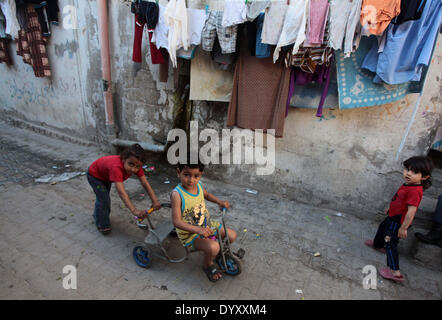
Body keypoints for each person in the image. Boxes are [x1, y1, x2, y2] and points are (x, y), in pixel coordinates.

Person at [364, 156, 433, 282]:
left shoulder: (415, 191)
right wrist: (390, 209)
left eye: (415, 172)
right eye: (407, 169)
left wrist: (403, 228)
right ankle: (378, 245)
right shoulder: (408, 184)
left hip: (398, 222)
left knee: (390, 243)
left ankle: (395, 272)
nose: (408, 173)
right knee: (382, 228)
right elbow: (400, 201)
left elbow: (411, 211)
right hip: (392, 216)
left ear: (424, 177)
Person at [170, 157, 237, 282]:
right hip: (190, 234)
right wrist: (198, 230)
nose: (191, 180)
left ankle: (218, 254)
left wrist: (219, 202)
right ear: (178, 172)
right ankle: (207, 264)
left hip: (206, 224)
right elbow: (177, 222)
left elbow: (206, 195)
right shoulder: (177, 194)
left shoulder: (198, 185)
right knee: (214, 247)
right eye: (186, 175)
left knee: (232, 236)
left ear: (201, 175)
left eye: (196, 176)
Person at [87, 144, 161, 235]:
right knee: (104, 200)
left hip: (105, 176)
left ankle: (98, 215)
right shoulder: (116, 168)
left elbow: (145, 183)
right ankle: (102, 225)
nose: (133, 169)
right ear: (123, 159)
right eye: (131, 164)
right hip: (95, 176)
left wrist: (155, 200)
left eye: (137, 166)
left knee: (102, 198)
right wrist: (134, 211)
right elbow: (121, 192)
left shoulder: (136, 165)